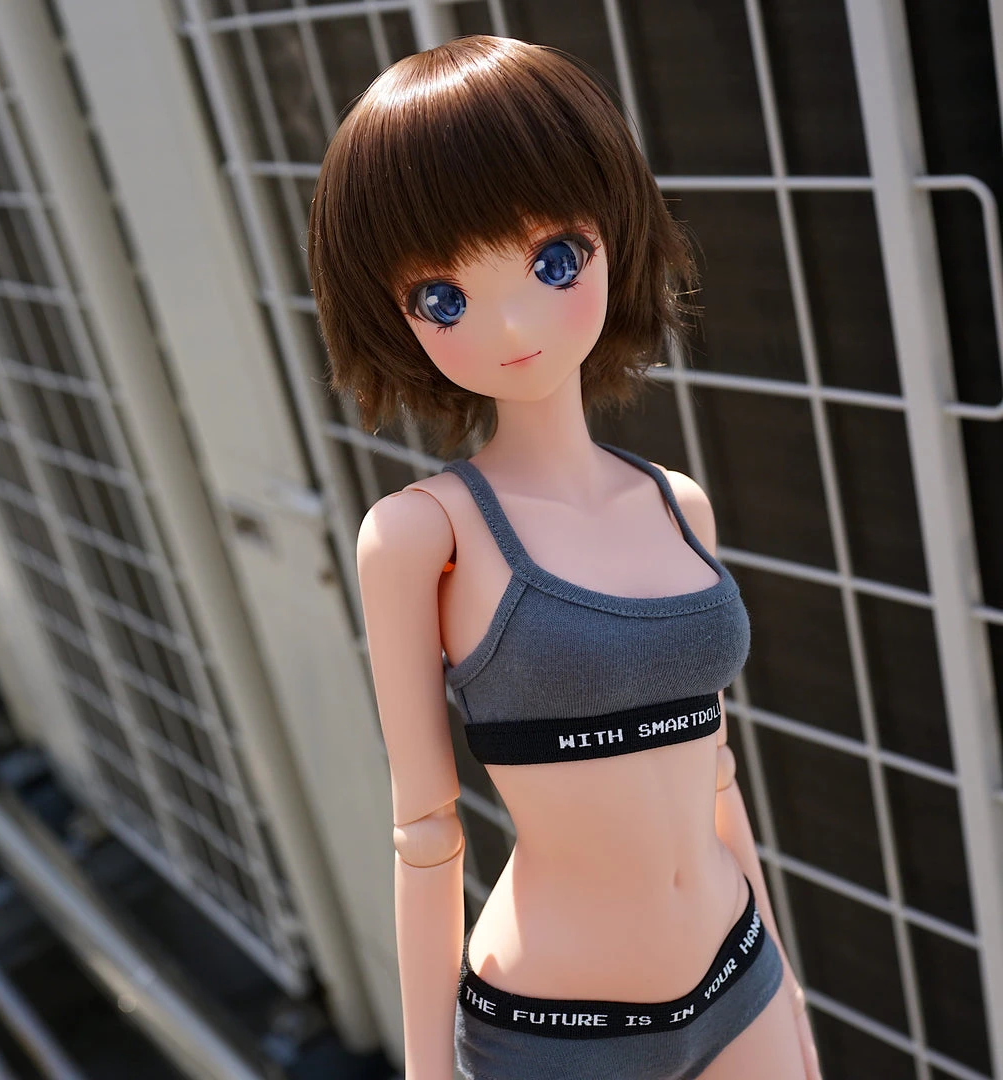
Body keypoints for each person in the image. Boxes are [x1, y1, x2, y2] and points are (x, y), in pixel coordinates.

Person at [308, 34, 822, 1080]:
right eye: (442, 298)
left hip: (741, 974)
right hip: (562, 1028)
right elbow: (425, 832)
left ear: (612, 234)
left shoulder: (677, 504)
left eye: (553, 262)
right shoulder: (425, 536)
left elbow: (714, 774)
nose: (511, 323)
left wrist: (786, 985)